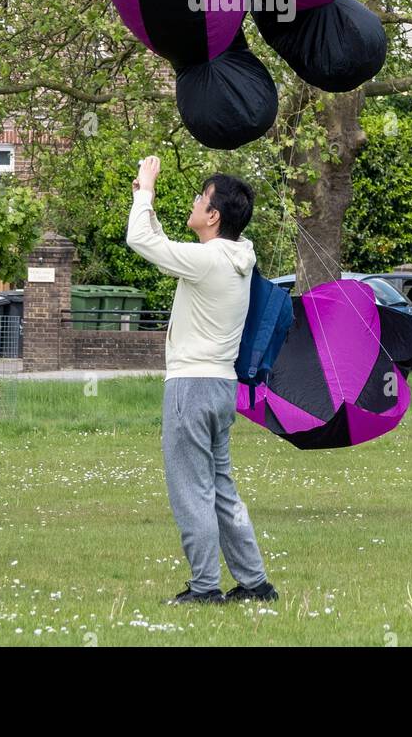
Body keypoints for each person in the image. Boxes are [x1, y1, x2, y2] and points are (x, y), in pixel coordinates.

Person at [126, 155, 279, 606]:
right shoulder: (235, 258)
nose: (193, 202)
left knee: (191, 489)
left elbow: (140, 240)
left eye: (200, 198)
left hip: (190, 388)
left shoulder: (208, 261)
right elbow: (159, 244)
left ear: (212, 216)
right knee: (221, 488)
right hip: (220, 387)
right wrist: (142, 199)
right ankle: (253, 583)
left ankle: (205, 587)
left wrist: (149, 187)